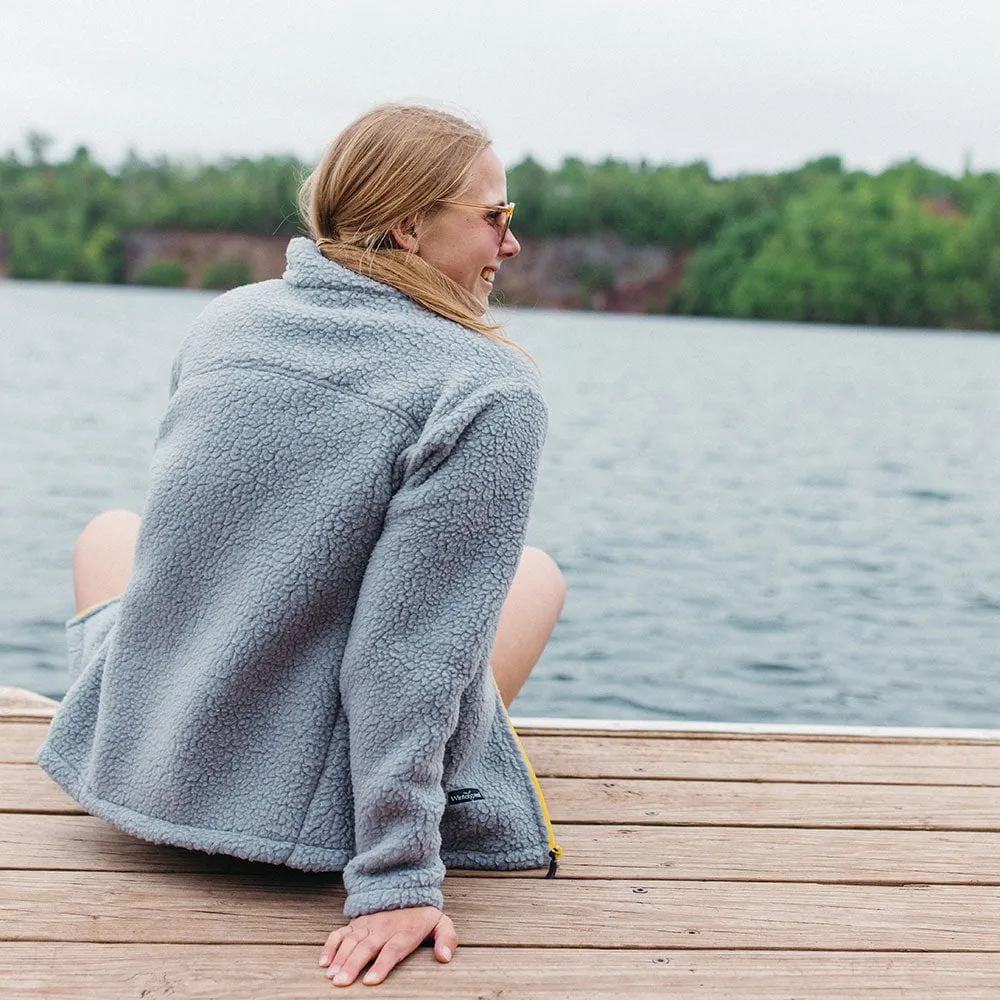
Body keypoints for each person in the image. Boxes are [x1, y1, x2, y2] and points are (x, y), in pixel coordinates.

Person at [35, 103, 566, 988]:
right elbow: (411, 652)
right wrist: (397, 877)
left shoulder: (228, 322)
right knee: (536, 576)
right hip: (314, 816)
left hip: (148, 772)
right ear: (407, 224)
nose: (510, 245)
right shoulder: (487, 389)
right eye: (495, 217)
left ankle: (166, 725)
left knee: (111, 534)